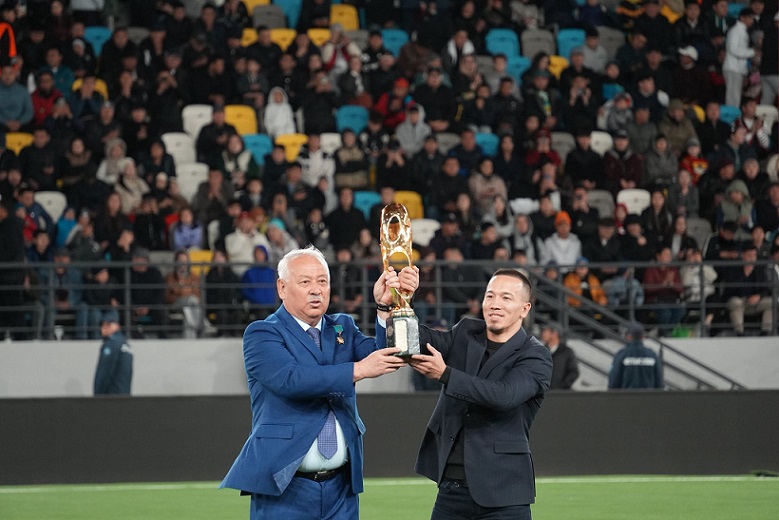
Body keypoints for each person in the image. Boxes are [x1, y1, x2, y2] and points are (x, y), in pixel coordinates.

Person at [220, 246, 418, 519]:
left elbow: (387, 356)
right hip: (285, 489)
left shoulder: (342, 326)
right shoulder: (262, 333)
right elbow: (292, 380)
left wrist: (388, 307)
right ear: (282, 287)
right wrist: (358, 369)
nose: (316, 290)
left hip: (341, 489)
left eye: (322, 281)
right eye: (305, 282)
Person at [408, 268, 552, 519]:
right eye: (490, 296)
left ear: (525, 309)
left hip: (504, 496)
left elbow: (503, 396)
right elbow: (419, 340)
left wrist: (446, 374)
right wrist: (397, 304)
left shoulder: (535, 355)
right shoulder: (465, 332)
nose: (495, 304)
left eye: (506, 298)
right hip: (451, 491)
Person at [607, 322, 664, 389]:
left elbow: (614, 381)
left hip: (627, 395)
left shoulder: (621, 355)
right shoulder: (652, 355)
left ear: (628, 336)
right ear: (643, 337)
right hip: (648, 395)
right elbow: (659, 381)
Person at [93, 311, 133, 395]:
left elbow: (104, 371)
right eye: (103, 325)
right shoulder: (125, 344)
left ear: (117, 326)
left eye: (108, 325)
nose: (105, 328)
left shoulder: (111, 344)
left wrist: (98, 394)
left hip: (111, 395)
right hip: (124, 394)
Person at [541, 325, 580, 390]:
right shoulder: (540, 351)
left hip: (560, 393)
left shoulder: (567, 352)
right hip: (543, 393)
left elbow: (574, 372)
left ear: (554, 333)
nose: (543, 333)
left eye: (546, 331)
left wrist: (563, 386)